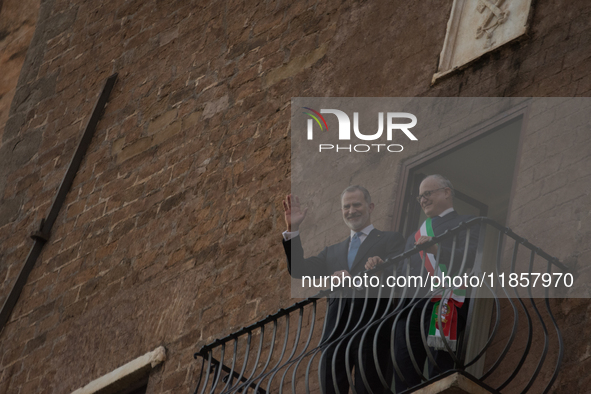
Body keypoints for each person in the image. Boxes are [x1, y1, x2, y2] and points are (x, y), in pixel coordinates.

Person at [282, 186, 405, 394]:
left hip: (372, 327)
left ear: (370, 206)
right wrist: (293, 229)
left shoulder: (390, 239)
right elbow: (298, 269)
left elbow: (401, 272)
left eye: (357, 204)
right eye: (346, 206)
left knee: (371, 389)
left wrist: (382, 265)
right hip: (336, 333)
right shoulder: (332, 251)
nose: (351, 210)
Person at [393, 174, 480, 392]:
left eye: (428, 193)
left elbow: (469, 257)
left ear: (447, 192)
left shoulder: (467, 222)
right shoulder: (413, 237)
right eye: (420, 196)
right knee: (405, 370)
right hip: (411, 308)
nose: (423, 200)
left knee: (438, 370)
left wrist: (436, 250)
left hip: (444, 301)